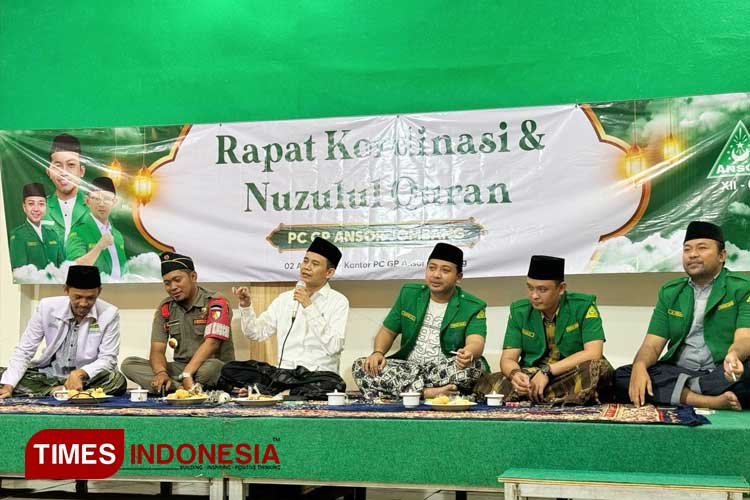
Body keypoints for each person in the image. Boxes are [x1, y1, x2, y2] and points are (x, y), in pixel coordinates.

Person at [615, 221, 750, 410]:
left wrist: (734, 356)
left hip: (722, 369)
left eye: (702, 248)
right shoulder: (670, 292)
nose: (693, 254)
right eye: (687, 250)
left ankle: (682, 391)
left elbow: (745, 337)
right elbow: (652, 346)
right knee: (622, 376)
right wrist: (639, 366)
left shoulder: (742, 287)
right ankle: (708, 400)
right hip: (679, 369)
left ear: (722, 255)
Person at [352, 242, 487, 399]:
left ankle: (404, 392)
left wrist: (468, 352)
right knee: (361, 366)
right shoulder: (409, 294)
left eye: (445, 270)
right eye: (432, 268)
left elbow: (476, 342)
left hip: (443, 369)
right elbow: (388, 331)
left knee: (475, 367)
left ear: (459, 277)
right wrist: (377, 353)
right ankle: (428, 393)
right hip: (409, 368)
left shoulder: (472, 305)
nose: (436, 275)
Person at [219, 237, 349, 399]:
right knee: (229, 369)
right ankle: (281, 392)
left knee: (335, 386)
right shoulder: (285, 299)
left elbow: (334, 346)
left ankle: (270, 392)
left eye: (315, 264)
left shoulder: (338, 301)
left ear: (329, 273)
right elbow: (256, 333)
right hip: (283, 374)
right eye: (305, 261)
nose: (306, 267)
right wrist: (246, 306)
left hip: (316, 375)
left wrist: (309, 307)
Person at [475, 255, 613, 404]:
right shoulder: (519, 311)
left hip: (568, 371)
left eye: (542, 289)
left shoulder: (583, 305)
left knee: (597, 369)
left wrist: (547, 371)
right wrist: (516, 375)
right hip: (533, 374)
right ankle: (549, 395)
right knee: (488, 382)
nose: (534, 296)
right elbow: (508, 359)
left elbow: (594, 353)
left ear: (561, 288)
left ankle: (535, 396)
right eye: (530, 288)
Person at [0, 265, 127, 398]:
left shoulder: (109, 313)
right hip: (49, 375)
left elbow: (108, 359)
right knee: (4, 375)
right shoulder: (46, 307)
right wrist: (8, 385)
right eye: (78, 297)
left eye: (90, 298)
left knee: (117, 380)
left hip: (87, 378)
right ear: (66, 290)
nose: (83, 303)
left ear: (99, 292)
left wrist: (80, 373)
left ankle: (56, 391)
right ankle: (61, 390)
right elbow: (25, 350)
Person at [121, 252, 235, 394]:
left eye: (177, 280)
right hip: (179, 367)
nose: (172, 287)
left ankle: (171, 386)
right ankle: (179, 388)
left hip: (208, 366)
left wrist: (188, 373)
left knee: (213, 368)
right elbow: (157, 350)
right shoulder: (165, 308)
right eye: (167, 283)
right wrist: (161, 372)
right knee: (129, 364)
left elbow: (212, 343)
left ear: (193, 277)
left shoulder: (216, 302)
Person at [66, 176, 127, 279]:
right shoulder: (79, 230)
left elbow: (124, 269)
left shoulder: (117, 235)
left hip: (120, 290)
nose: (101, 204)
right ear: (87, 200)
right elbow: (75, 268)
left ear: (114, 202)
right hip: (90, 290)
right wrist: (99, 247)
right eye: (96, 199)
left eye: (107, 199)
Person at [43, 133, 89, 243]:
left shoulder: (95, 207)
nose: (64, 173)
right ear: (48, 171)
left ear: (81, 171)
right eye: (57, 166)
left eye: (71, 165)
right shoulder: (39, 209)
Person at [9, 183, 64, 270]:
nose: (36, 209)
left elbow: (62, 268)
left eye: (41, 204)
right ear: (24, 207)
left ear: (46, 206)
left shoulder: (53, 235)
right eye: (31, 204)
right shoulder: (18, 235)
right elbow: (19, 273)